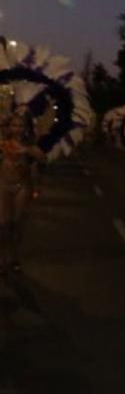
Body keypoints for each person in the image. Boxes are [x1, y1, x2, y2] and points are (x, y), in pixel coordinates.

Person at [0, 111, 46, 276]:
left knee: (17, 224)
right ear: (9, 127)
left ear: (25, 128)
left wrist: (26, 151)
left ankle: (13, 257)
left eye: (20, 125)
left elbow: (42, 158)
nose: (17, 128)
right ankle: (2, 257)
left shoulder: (29, 143)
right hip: (3, 186)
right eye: (14, 125)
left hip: (22, 187)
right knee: (4, 225)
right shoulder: (3, 142)